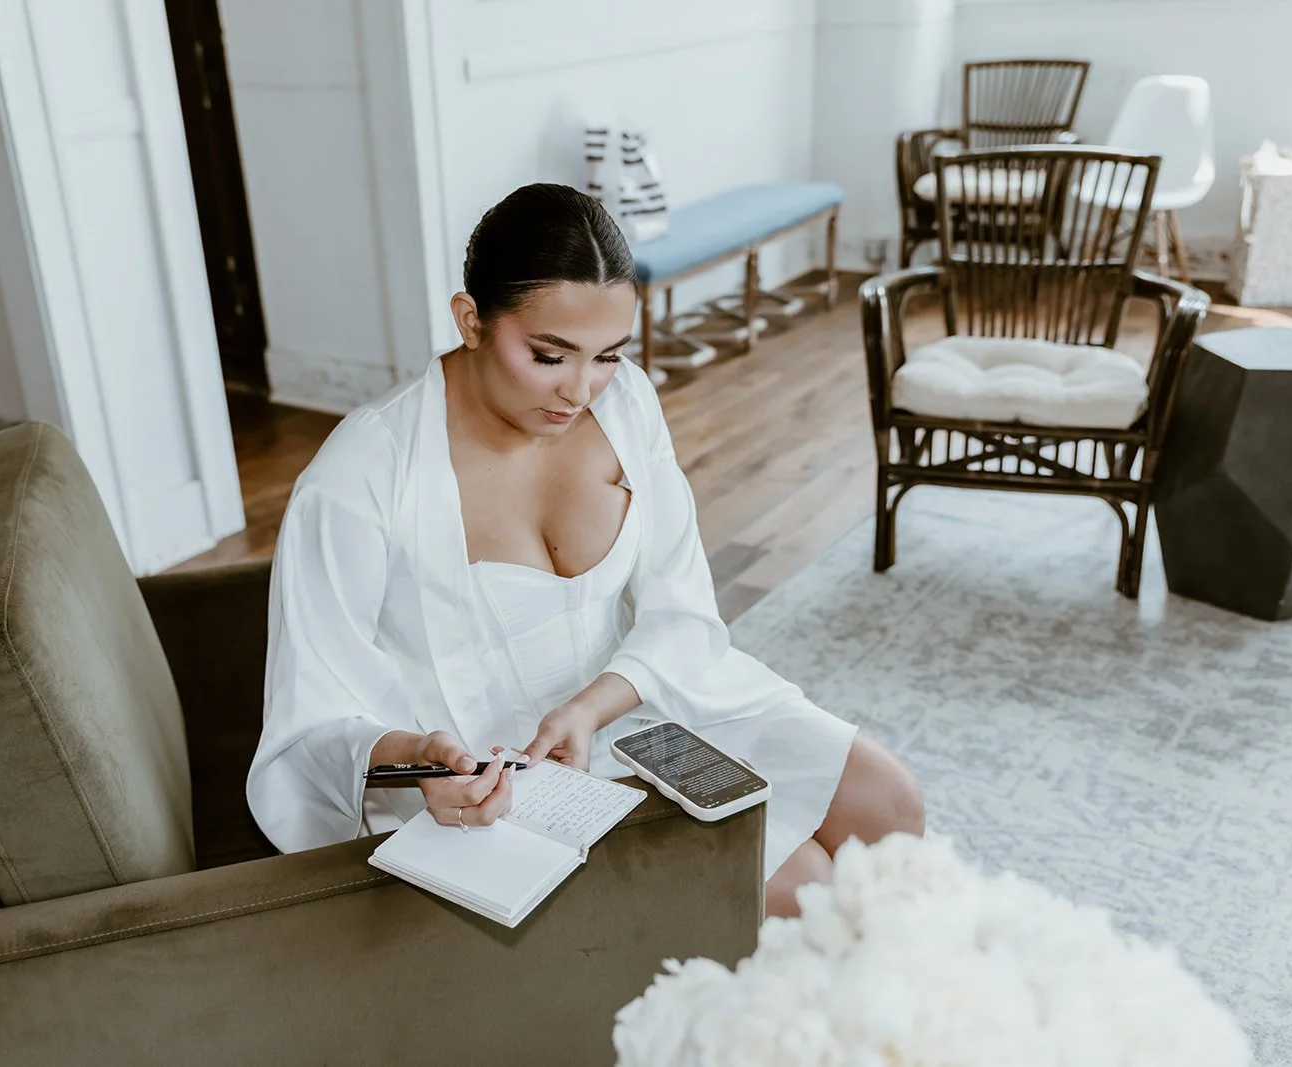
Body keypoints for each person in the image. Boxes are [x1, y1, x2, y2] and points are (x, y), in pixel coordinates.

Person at [247, 183, 923, 916]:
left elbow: (682, 610)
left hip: (639, 699)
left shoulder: (625, 401)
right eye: (549, 354)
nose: (580, 389)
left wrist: (592, 706)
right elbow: (309, 722)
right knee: (804, 890)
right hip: (495, 773)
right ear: (470, 320)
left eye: (607, 354)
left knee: (890, 805)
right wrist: (417, 758)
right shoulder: (361, 475)